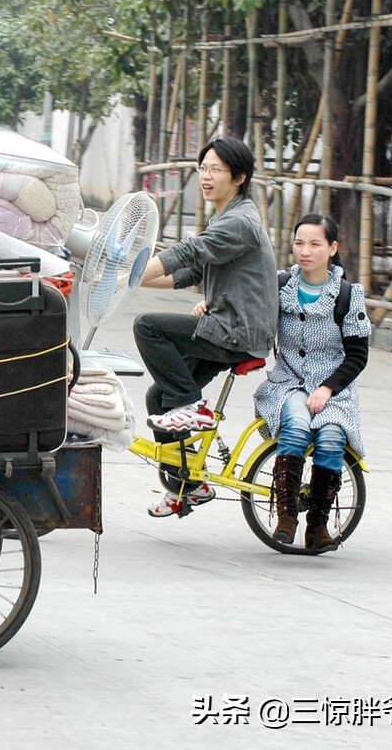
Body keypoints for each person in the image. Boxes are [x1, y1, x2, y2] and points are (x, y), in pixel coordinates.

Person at [134, 136, 278, 517]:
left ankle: (191, 405)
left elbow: (189, 252)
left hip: (236, 331)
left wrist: (132, 270)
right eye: (203, 168)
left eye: (216, 169)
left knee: (148, 326)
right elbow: (191, 272)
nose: (206, 176)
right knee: (157, 398)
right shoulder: (226, 216)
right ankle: (190, 487)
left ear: (240, 176)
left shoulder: (240, 222)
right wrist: (128, 281)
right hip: (228, 326)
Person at [253, 214, 370, 552]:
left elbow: (358, 355)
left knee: (332, 439)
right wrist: (209, 306)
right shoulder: (280, 285)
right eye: (299, 243)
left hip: (333, 390)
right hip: (288, 383)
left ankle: (317, 525)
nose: (305, 251)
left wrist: (327, 387)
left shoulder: (348, 295)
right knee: (296, 428)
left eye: (315, 244)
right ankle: (286, 516)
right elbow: (247, 306)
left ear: (333, 248)